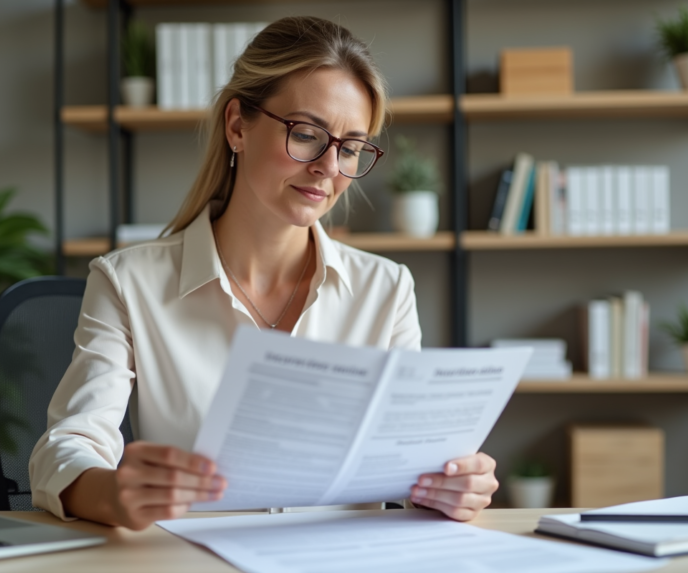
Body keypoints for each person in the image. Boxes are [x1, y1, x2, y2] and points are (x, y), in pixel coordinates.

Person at [29, 15, 498, 531]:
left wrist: (449, 487)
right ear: (237, 126)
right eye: (306, 134)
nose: (328, 168)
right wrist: (114, 494)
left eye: (349, 148)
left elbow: (410, 467)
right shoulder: (127, 283)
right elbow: (66, 449)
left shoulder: (385, 291)